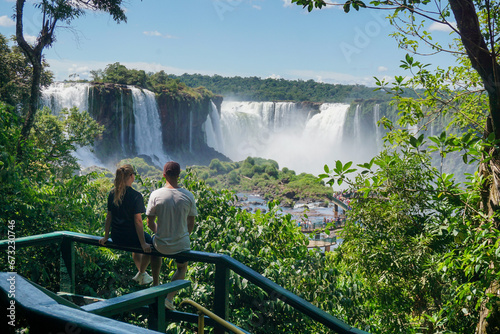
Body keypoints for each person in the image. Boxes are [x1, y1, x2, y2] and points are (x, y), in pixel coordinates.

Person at [146, 161, 198, 310]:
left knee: (154, 249)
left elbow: (149, 222)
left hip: (161, 243)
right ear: (179, 175)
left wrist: (160, 233)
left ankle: (156, 285)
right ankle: (169, 298)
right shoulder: (188, 195)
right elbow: (191, 223)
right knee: (181, 268)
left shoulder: (155, 194)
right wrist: (181, 235)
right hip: (181, 245)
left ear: (164, 175)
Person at [99, 164, 154, 285]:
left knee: (139, 245)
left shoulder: (112, 193)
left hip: (117, 237)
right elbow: (138, 221)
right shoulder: (136, 196)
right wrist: (143, 243)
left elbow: (109, 217)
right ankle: (142, 272)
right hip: (131, 237)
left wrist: (106, 237)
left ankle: (141, 273)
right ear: (131, 176)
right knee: (151, 244)